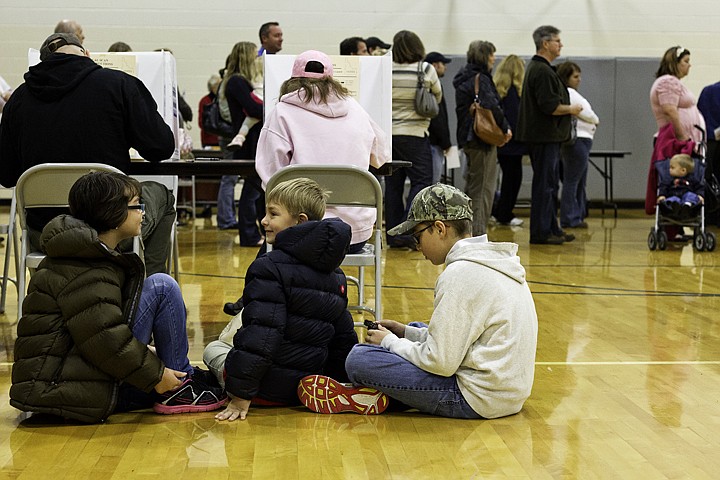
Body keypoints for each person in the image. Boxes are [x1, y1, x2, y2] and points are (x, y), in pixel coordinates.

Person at [298, 183, 538, 418]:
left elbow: (441, 362)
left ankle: (380, 392)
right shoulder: (496, 262)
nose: (417, 245)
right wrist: (405, 333)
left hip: (475, 398)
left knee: (359, 359)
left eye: (417, 235)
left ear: (440, 228)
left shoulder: (460, 274)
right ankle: (384, 394)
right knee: (418, 329)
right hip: (508, 395)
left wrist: (390, 342)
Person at [10, 172, 226, 423]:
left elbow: (95, 329)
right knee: (162, 287)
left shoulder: (85, 252)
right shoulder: (86, 268)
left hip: (62, 378)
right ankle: (176, 388)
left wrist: (145, 354)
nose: (143, 212)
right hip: (62, 391)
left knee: (159, 286)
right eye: (136, 205)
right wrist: (156, 376)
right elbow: (106, 341)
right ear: (112, 214)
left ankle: (180, 377)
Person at [0, 33, 176, 275]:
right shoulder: (120, 84)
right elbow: (162, 147)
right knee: (163, 197)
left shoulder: (18, 99)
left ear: (41, 63)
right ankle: (147, 291)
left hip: (47, 234)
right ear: (86, 54)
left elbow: (6, 175)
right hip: (109, 228)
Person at [204, 177, 358, 421]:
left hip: (266, 390)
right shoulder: (336, 274)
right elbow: (343, 336)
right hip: (307, 385)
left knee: (213, 348)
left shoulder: (268, 267)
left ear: (300, 222)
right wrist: (344, 383)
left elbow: (261, 336)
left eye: (273, 214)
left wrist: (241, 394)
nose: (264, 220)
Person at [255, 49, 390, 253]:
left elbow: (271, 178)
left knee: (267, 263)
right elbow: (382, 156)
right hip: (353, 236)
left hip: (302, 231)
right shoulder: (356, 109)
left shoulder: (282, 112)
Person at [516, 25, 583, 245]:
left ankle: (552, 228)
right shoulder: (542, 70)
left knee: (550, 185)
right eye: (557, 40)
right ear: (545, 43)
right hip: (543, 137)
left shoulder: (542, 68)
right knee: (545, 186)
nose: (560, 44)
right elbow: (550, 106)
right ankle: (541, 232)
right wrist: (571, 109)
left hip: (547, 138)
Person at [386, 30, 441, 248]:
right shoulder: (425, 68)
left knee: (393, 186)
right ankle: (406, 230)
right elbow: (437, 96)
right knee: (420, 182)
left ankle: (392, 235)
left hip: (388, 136)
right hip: (416, 134)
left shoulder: (386, 69)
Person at [454, 40, 512, 237]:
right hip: (481, 139)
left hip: (467, 138)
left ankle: (467, 231)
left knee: (472, 187)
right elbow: (492, 106)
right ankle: (477, 234)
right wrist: (505, 127)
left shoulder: (462, 78)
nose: (494, 59)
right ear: (484, 56)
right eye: (492, 55)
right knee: (483, 189)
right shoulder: (481, 79)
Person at [216, 41, 265, 243]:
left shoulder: (243, 81)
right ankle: (248, 234)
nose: (257, 60)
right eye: (254, 56)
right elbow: (253, 109)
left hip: (252, 140)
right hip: (248, 143)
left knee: (257, 189)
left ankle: (258, 230)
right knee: (252, 190)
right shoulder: (236, 81)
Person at [557, 61, 599, 229]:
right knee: (572, 180)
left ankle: (577, 215)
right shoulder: (569, 93)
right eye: (575, 76)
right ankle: (568, 218)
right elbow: (585, 112)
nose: (579, 80)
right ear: (566, 78)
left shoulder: (571, 93)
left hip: (582, 140)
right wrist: (596, 120)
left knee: (578, 180)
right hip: (578, 141)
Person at [492, 54, 528, 227]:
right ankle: (505, 214)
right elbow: (515, 119)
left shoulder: (499, 90)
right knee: (513, 179)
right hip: (513, 144)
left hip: (501, 143)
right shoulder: (514, 92)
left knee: (506, 178)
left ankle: (500, 211)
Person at [650, 46, 705, 145]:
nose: (689, 65)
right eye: (686, 61)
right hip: (675, 142)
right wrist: (682, 137)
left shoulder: (673, 82)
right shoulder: (668, 82)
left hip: (681, 141)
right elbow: (669, 111)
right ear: (675, 63)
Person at [425, 51, 453, 184]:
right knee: (432, 184)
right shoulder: (433, 86)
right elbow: (438, 116)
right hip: (434, 143)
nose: (445, 67)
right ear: (435, 65)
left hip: (429, 141)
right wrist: (445, 142)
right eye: (443, 64)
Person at [657, 153, 704, 217]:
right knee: (672, 199)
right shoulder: (669, 179)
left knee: (691, 196)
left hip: (687, 195)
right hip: (673, 195)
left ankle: (687, 207)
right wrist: (662, 195)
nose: (669, 169)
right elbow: (663, 187)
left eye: (672, 167)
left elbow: (699, 187)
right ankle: (675, 208)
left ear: (683, 170)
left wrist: (700, 195)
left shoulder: (693, 179)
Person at [198, 73, 222, 148]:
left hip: (221, 139)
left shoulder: (222, 100)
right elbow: (201, 122)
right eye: (217, 85)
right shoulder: (204, 101)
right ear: (212, 87)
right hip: (208, 140)